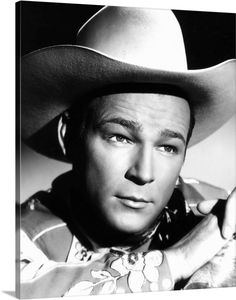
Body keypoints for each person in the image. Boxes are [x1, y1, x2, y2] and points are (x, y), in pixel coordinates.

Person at [18, 5, 236, 298]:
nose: (144, 173)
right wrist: (180, 259)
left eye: (168, 147)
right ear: (68, 135)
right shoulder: (20, 237)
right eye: (120, 138)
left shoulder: (217, 215)